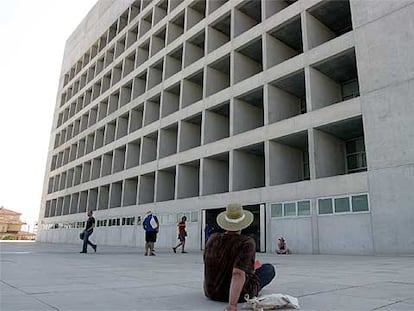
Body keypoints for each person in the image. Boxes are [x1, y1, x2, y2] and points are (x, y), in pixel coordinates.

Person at [204, 203, 276, 311]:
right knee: (268, 269)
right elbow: (237, 273)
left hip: (211, 292)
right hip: (239, 294)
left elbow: (209, 263)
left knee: (252, 269)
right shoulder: (246, 242)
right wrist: (232, 305)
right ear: (243, 223)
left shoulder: (212, 238)